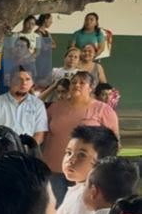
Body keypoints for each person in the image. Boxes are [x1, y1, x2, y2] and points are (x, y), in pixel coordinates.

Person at [44, 71, 120, 201]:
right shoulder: (55, 107)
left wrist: (107, 169)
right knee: (56, 207)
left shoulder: (103, 110)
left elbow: (114, 142)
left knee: (81, 206)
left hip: (86, 172)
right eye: (73, 82)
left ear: (91, 87)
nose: (77, 85)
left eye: (82, 83)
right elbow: (43, 133)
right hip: (54, 169)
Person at [0, 66, 48, 144]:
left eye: (28, 79)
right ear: (9, 81)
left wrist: (27, 148)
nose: (24, 83)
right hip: (0, 150)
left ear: (32, 83)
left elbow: (39, 135)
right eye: (19, 79)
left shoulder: (38, 105)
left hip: (27, 150)